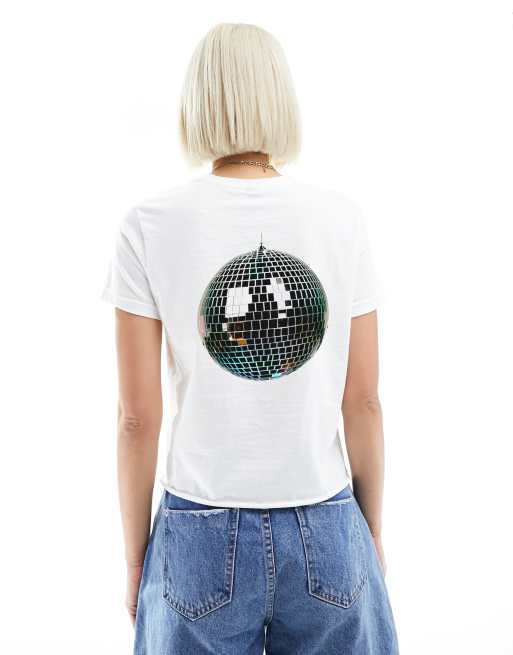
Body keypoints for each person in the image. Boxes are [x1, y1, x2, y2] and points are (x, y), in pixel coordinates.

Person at [102, 21, 399, 655]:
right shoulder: (340, 220)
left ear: (196, 103)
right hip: (327, 519)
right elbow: (364, 402)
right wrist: (369, 534)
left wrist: (135, 558)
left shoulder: (149, 224)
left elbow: (136, 419)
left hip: (196, 529)